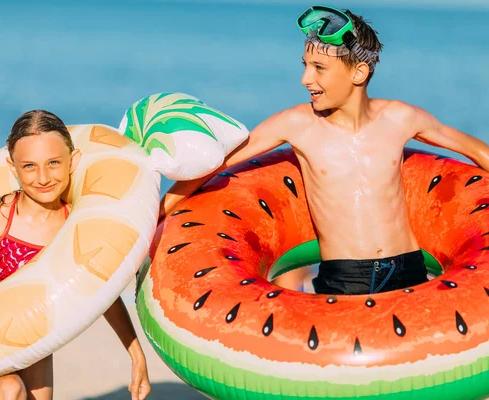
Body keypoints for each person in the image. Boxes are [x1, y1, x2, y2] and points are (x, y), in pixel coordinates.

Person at [158, 6, 489, 296]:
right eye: (304, 64)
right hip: (345, 276)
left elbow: (473, 149)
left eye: (319, 68)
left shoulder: (401, 118)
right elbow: (217, 164)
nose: (305, 78)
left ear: (358, 72)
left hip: (407, 268)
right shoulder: (297, 124)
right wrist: (159, 213)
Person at [0, 110, 151, 400]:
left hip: (30, 337)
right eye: (29, 166)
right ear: (12, 167)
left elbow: (100, 288)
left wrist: (136, 354)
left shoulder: (73, 224)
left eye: (54, 163)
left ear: (73, 161)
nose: (43, 178)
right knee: (10, 391)